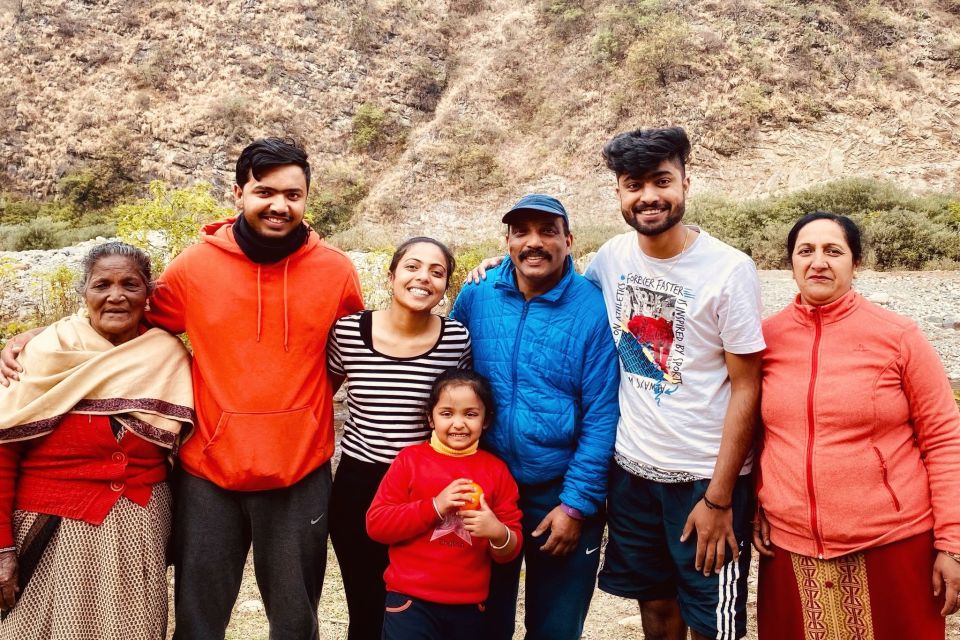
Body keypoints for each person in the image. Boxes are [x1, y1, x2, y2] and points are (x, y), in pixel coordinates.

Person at [0, 138, 364, 639]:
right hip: (208, 471)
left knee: (296, 618)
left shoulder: (336, 270)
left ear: (306, 198)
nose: (280, 205)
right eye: (265, 191)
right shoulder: (196, 266)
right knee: (198, 617)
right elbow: (124, 314)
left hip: (299, 469)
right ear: (238, 193)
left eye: (293, 194)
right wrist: (40, 335)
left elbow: (349, 351)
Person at [584, 127, 764, 640]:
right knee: (657, 610)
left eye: (662, 180)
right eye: (633, 184)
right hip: (632, 472)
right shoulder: (612, 256)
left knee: (713, 621)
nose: (649, 196)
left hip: (703, 480)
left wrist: (720, 498)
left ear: (686, 181)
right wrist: (499, 270)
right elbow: (563, 291)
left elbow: (747, 387)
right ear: (618, 192)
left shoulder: (729, 269)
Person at [754, 211, 960, 639]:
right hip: (791, 549)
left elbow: (943, 440)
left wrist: (952, 543)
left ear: (856, 262)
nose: (818, 262)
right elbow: (757, 434)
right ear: (790, 262)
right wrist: (758, 501)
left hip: (892, 542)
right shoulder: (764, 339)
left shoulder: (899, 337)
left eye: (834, 251)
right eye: (805, 251)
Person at [0, 242, 194, 639]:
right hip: (50, 526)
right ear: (83, 293)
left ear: (148, 294)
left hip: (139, 528)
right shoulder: (45, 352)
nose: (116, 295)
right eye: (101, 284)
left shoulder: (167, 356)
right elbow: (3, 451)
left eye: (130, 284)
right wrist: (1, 549)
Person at [451, 193, 620, 640]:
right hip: (487, 487)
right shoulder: (477, 295)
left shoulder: (593, 309)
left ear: (569, 240)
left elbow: (602, 415)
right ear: (506, 241)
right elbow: (452, 382)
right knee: (479, 620)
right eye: (521, 232)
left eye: (547, 231)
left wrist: (576, 504)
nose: (534, 243)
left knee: (556, 627)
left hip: (559, 490)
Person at [328, 236, 471, 640]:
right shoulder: (348, 332)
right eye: (412, 266)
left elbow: (459, 410)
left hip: (425, 487)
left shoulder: (456, 339)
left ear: (445, 287)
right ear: (391, 276)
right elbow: (321, 388)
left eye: (437, 271)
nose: (423, 277)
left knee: (417, 606)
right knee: (366, 604)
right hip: (360, 484)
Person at [366, 369, 523, 640]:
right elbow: (377, 525)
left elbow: (509, 550)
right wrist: (435, 506)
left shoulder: (496, 471)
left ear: (487, 420)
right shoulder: (409, 461)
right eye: (447, 413)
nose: (458, 424)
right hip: (409, 601)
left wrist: (497, 531)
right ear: (430, 417)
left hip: (469, 607)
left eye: (470, 414)